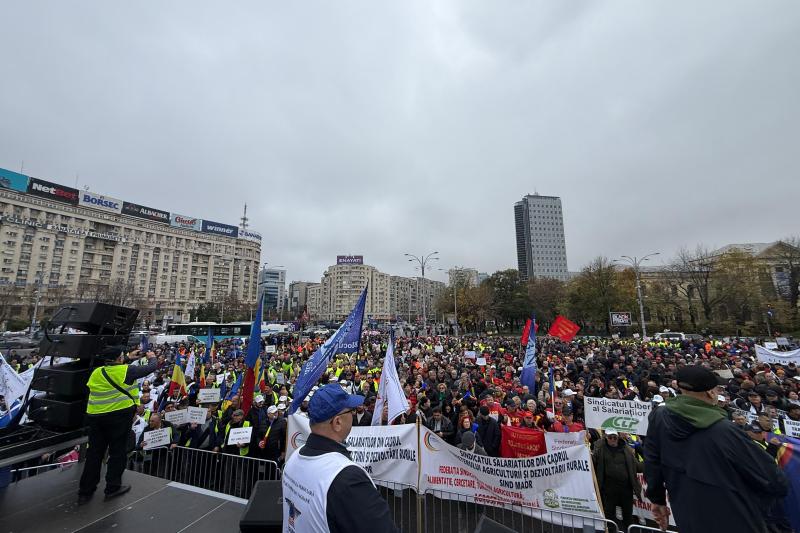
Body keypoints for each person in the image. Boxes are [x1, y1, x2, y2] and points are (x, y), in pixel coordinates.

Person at [644, 365, 788, 532]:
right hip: (734, 518)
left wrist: (657, 499)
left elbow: (652, 460)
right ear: (711, 393)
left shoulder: (659, 416)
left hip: (687, 515)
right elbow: (774, 480)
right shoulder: (724, 430)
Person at [281, 384, 398, 533]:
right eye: (351, 411)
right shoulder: (348, 478)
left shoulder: (293, 458)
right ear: (337, 422)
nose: (354, 414)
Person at [78, 349, 159, 504]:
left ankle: (85, 491)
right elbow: (151, 367)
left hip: (95, 417)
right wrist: (152, 357)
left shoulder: (97, 371)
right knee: (117, 452)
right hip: (118, 417)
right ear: (119, 358)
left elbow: (115, 369)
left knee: (94, 454)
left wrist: (127, 357)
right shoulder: (128, 371)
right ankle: (112, 487)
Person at [592, 428, 642, 531]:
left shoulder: (627, 449)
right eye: (610, 437)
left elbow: (638, 466)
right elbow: (592, 462)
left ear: (618, 437)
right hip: (608, 489)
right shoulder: (600, 449)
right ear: (606, 437)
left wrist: (651, 462)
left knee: (628, 516)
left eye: (614, 437)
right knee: (609, 516)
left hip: (625, 489)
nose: (612, 439)